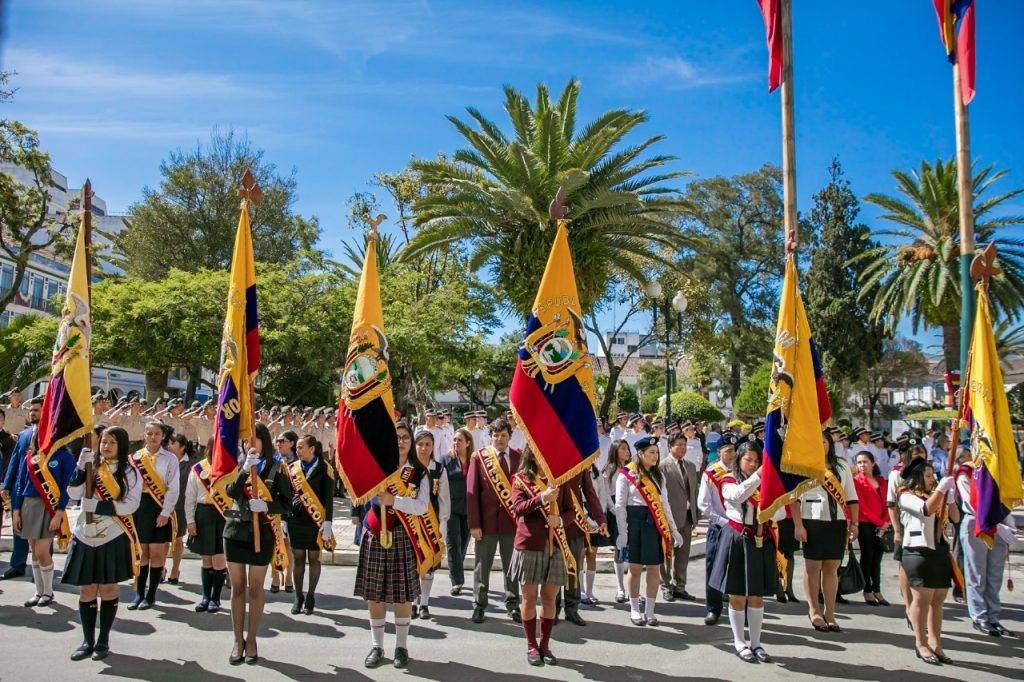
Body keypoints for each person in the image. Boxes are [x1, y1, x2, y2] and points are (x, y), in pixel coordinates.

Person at [355, 421, 432, 669]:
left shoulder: (419, 472)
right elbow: (358, 492)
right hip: (375, 533)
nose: (401, 442)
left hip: (402, 535)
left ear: (411, 441)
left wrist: (394, 501)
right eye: (396, 437)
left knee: (402, 595)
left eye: (405, 437)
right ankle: (377, 646)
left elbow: (421, 507)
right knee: (375, 594)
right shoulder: (377, 467)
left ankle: (401, 647)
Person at [63, 427, 142, 661]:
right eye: (104, 442)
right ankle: (87, 640)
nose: (106, 446)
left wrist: (99, 507)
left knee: (108, 589)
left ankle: (103, 640)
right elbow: (73, 493)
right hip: (85, 534)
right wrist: (80, 468)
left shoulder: (129, 471)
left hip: (112, 534)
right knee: (86, 589)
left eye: (112, 442)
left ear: (122, 445)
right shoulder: (91, 466)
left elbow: (131, 504)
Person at [223, 422, 293, 664]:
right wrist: (244, 470)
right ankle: (237, 640)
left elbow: (287, 503)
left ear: (264, 440)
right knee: (237, 587)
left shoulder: (277, 467)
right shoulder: (238, 463)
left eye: (253, 439)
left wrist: (267, 506)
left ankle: (252, 639)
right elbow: (230, 492)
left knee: (255, 588)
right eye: (245, 440)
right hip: (235, 531)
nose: (248, 444)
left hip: (262, 533)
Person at [708, 442, 781, 663]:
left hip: (760, 541)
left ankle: (756, 643)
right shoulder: (728, 480)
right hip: (737, 539)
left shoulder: (766, 484)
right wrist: (759, 476)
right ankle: (739, 641)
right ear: (739, 460)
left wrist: (771, 510)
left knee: (756, 596)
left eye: (757, 461)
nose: (752, 464)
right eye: (748, 460)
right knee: (737, 595)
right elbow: (738, 496)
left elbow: (781, 513)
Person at [793, 429, 859, 632]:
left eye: (824, 442)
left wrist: (854, 523)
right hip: (812, 520)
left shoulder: (842, 466)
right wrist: (798, 525)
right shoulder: (803, 466)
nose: (821, 445)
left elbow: (851, 497)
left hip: (837, 522)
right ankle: (814, 610)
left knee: (832, 567)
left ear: (830, 444)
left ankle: (830, 613)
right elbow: (794, 498)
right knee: (813, 567)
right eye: (816, 442)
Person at [614, 436, 684, 627]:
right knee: (635, 568)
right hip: (635, 521)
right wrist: (623, 532)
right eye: (651, 452)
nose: (655, 456)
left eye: (657, 452)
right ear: (640, 454)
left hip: (654, 523)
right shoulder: (626, 474)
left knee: (654, 568)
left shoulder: (659, 475)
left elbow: (664, 503)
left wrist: (673, 529)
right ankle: (634, 608)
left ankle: (650, 611)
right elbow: (620, 506)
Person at [509, 446, 566, 666]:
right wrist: (542, 498)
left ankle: (545, 645)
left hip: (555, 545)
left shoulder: (560, 479)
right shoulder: (521, 479)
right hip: (529, 545)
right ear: (531, 455)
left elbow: (572, 509)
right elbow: (518, 508)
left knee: (550, 597)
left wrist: (560, 520)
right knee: (530, 598)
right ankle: (531, 645)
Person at [897, 458, 958, 665]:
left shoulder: (937, 495)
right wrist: (941, 490)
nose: (933, 479)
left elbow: (956, 518)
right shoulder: (906, 495)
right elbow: (926, 509)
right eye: (928, 476)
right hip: (918, 551)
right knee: (922, 600)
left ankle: (936, 643)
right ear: (917, 478)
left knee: (938, 599)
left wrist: (950, 499)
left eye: (934, 475)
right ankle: (921, 643)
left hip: (939, 550)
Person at [10, 422, 76, 607]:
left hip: (49, 507)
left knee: (41, 550)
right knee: (34, 551)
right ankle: (38, 592)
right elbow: (20, 484)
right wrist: (16, 510)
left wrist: (59, 512)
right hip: (28, 504)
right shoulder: (30, 457)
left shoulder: (64, 456)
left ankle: (48, 592)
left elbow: (67, 486)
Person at [956, 445, 1017, 637]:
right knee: (977, 574)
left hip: (999, 525)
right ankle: (980, 617)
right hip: (977, 523)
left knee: (994, 574)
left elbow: (1004, 500)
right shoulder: (966, 472)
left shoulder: (998, 472)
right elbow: (971, 503)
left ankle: (993, 617)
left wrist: (1009, 523)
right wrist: (995, 523)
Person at [467, 417, 521, 624]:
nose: (499, 439)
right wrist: (474, 524)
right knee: (482, 567)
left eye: (503, 435)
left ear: (510, 436)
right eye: (496, 435)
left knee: (512, 567)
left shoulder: (518, 457)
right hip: (486, 524)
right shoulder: (479, 458)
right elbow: (472, 493)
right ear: (490, 436)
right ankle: (479, 605)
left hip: (511, 523)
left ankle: (513, 604)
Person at [126, 421, 180, 610]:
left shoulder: (170, 459)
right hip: (139, 507)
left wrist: (165, 512)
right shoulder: (134, 458)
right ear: (144, 435)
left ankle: (151, 595)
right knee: (142, 553)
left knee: (156, 553)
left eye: (157, 434)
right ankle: (139, 594)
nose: (153, 437)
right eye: (149, 433)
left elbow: (173, 488)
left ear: (163, 436)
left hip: (159, 506)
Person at [285, 434, 335, 616]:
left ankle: (310, 596)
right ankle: (298, 597)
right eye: (297, 448)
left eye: (301, 447)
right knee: (298, 558)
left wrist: (328, 521)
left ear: (312, 449)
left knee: (314, 559)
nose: (297, 451)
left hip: (316, 521)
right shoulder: (292, 468)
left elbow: (329, 498)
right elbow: (286, 494)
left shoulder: (325, 468)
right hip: (296, 520)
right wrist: (283, 518)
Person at [557, 460, 606, 626]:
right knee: (554, 569)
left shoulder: (580, 464)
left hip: (575, 525)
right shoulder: (549, 460)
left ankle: (572, 609)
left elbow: (589, 492)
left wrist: (600, 518)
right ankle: (553, 609)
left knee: (574, 568)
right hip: (553, 523)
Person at [183, 439, 228, 613]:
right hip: (203, 514)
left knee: (218, 559)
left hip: (222, 515)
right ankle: (205, 597)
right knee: (206, 559)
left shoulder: (229, 468)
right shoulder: (198, 468)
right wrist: (190, 520)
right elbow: (190, 497)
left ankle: (215, 598)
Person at [698, 433, 738, 625]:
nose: (732, 454)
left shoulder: (740, 472)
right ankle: (713, 609)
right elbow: (704, 504)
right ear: (719, 452)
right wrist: (723, 521)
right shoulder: (711, 473)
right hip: (720, 526)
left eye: (734, 451)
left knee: (737, 568)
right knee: (713, 566)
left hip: (738, 527)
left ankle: (739, 610)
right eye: (728, 451)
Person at [888, 436, 928, 622]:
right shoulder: (897, 474)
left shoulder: (929, 473)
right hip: (905, 524)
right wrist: (896, 530)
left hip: (926, 525)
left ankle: (921, 604)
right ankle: (908, 605)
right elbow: (891, 504)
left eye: (922, 453)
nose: (919, 456)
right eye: (915, 454)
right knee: (905, 564)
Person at [1, 399, 42, 581]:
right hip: (20, 488)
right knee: (18, 527)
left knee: (41, 532)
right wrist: (7, 485)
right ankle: (17, 565)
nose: (32, 413)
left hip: (41, 490)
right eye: (31, 410)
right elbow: (15, 461)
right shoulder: (24, 435)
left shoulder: (53, 435)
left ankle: (41, 567)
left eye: (37, 410)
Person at [412, 429, 450, 619]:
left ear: (433, 447)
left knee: (428, 565)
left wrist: (443, 524)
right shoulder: (408, 467)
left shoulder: (439, 469)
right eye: (420, 444)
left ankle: (424, 603)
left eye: (428, 444)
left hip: (431, 523)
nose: (424, 448)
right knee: (412, 564)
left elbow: (444, 499)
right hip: (411, 522)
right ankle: (412, 602)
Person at [659, 433, 699, 602]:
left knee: (683, 555)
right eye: (679, 445)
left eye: (684, 444)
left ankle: (680, 586)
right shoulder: (662, 466)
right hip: (670, 517)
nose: (683, 448)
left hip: (688, 517)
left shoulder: (690, 466)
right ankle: (666, 586)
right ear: (670, 447)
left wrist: (696, 514)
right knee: (667, 554)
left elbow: (694, 491)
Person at [853, 450, 890, 606]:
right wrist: (880, 523)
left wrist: (885, 522)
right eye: (859, 462)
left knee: (877, 558)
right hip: (866, 523)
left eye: (865, 462)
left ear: (873, 464)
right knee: (867, 557)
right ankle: (867, 589)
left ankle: (877, 589)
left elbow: (888, 503)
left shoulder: (881, 480)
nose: (862, 465)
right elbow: (861, 507)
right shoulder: (857, 481)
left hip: (882, 524)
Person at [601, 439, 632, 603]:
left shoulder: (632, 468)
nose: (626, 452)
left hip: (630, 507)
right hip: (615, 508)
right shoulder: (609, 470)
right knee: (619, 548)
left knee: (632, 548)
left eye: (627, 448)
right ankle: (620, 588)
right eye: (623, 448)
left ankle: (633, 588)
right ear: (615, 451)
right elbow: (606, 494)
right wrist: (615, 510)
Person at [443, 427, 473, 596]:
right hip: (451, 508)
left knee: (463, 543)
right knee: (453, 543)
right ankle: (457, 581)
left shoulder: (474, 461)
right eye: (454, 440)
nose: (456, 442)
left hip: (469, 508)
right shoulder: (446, 460)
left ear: (468, 443)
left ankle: (456, 571)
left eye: (459, 440)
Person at [166, 433, 196, 585]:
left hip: (181, 507)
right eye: (169, 443)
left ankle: (174, 570)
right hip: (164, 506)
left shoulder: (192, 464)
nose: (169, 446)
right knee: (163, 540)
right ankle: (161, 568)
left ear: (183, 447)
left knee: (178, 540)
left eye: (173, 443)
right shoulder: (164, 460)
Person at [271, 430, 298, 594]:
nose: (279, 443)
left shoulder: (297, 463)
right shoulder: (274, 461)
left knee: (289, 545)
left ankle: (288, 579)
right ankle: (275, 578)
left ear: (292, 443)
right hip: (275, 507)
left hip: (291, 509)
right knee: (274, 543)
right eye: (277, 441)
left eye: (283, 441)